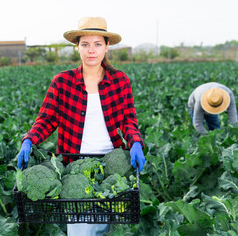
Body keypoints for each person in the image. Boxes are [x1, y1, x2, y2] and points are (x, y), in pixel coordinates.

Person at [17, 16, 145, 236]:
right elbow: (47, 119)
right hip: (73, 165)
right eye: (85, 44)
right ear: (77, 47)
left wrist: (135, 142)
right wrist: (29, 140)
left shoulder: (120, 81)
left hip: (110, 168)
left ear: (106, 47)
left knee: (107, 228)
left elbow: (127, 120)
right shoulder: (62, 82)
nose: (91, 50)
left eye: (97, 44)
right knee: (80, 231)